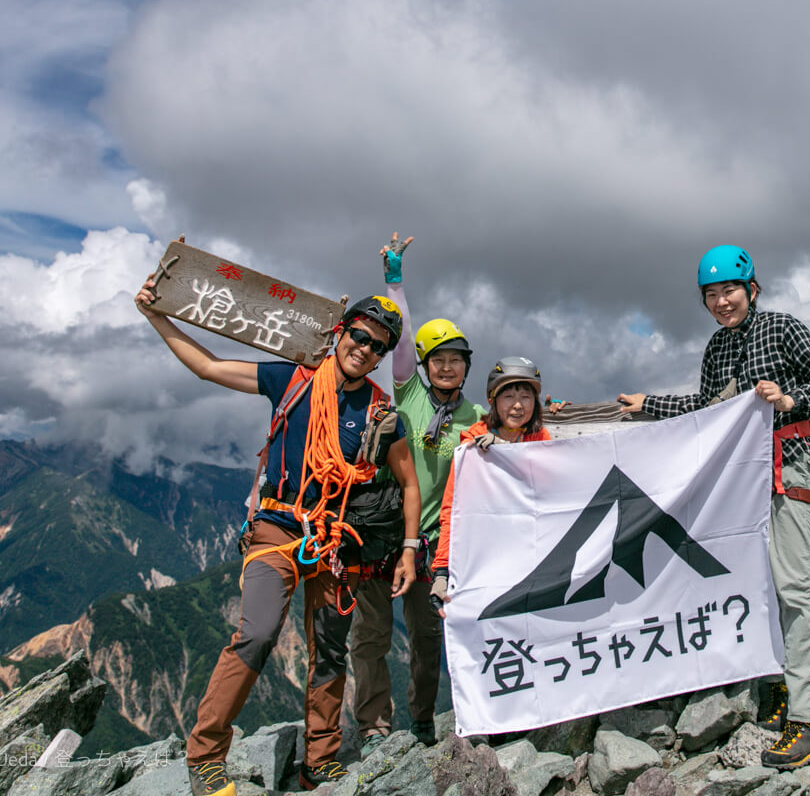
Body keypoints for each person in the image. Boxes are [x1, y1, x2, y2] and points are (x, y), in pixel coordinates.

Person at [135, 277, 422, 795]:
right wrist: (158, 316)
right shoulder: (292, 380)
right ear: (341, 332)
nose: (365, 349)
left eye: (378, 346)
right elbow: (209, 367)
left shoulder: (382, 414)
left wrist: (408, 548)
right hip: (277, 526)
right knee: (259, 632)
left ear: (382, 357)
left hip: (336, 540)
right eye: (360, 335)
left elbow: (408, 483)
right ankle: (204, 757)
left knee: (331, 649)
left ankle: (321, 761)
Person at [618, 244, 810, 771]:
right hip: (739, 480)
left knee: (796, 587)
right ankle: (778, 689)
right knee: (754, 586)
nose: (722, 301)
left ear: (752, 290)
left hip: (788, 468)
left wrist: (788, 400)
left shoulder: (783, 328)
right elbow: (708, 408)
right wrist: (650, 405)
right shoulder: (717, 348)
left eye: (730, 291)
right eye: (711, 294)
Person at [349, 233, 487, 754]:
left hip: (433, 544)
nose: (448, 367)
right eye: (439, 358)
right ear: (426, 363)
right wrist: (394, 282)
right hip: (381, 530)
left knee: (429, 643)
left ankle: (425, 722)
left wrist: (550, 412)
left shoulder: (476, 417)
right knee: (371, 636)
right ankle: (374, 726)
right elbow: (402, 340)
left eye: (457, 359)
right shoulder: (407, 391)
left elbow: (517, 438)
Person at [430, 356, 553, 615]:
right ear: (493, 400)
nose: (518, 405)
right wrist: (442, 570)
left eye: (526, 397)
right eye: (508, 396)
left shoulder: (541, 438)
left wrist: (506, 452)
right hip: (487, 557)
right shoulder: (471, 446)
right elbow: (453, 510)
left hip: (530, 555)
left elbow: (552, 487)